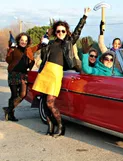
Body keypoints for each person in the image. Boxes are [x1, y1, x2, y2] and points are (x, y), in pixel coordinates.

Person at [32, 7, 91, 137]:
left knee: (50, 102)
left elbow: (77, 31)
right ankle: (50, 126)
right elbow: (42, 56)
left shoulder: (69, 42)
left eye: (63, 31)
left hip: (56, 73)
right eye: (58, 31)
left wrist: (84, 16)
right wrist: (44, 41)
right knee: (44, 103)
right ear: (55, 32)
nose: (60, 32)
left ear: (66, 31)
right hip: (45, 72)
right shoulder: (50, 43)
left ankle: (60, 126)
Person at [3, 32, 42, 121]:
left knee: (23, 94)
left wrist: (42, 40)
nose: (23, 42)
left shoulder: (29, 50)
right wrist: (9, 50)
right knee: (14, 95)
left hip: (24, 74)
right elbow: (8, 60)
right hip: (13, 74)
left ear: (27, 42)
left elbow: (38, 46)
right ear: (18, 40)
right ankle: (11, 115)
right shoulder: (14, 49)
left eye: (25, 40)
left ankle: (8, 110)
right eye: (22, 40)